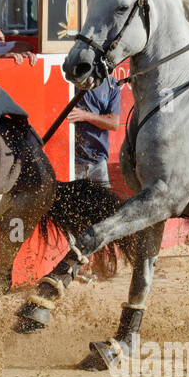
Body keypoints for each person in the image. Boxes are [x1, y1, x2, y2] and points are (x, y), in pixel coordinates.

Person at [69, 68, 121, 277]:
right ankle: (79, 267)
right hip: (74, 161)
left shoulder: (111, 85)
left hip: (97, 161)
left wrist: (84, 115)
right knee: (76, 216)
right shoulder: (71, 81)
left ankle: (103, 263)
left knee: (104, 217)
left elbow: (114, 123)